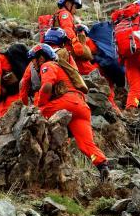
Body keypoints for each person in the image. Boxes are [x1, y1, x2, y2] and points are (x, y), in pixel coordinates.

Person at [29, 44, 109, 180]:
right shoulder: (62, 68)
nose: (33, 64)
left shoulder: (47, 65)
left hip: (67, 102)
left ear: (41, 58)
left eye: (33, 60)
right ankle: (102, 165)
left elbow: (47, 85)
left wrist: (39, 106)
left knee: (33, 116)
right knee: (86, 144)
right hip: (82, 107)